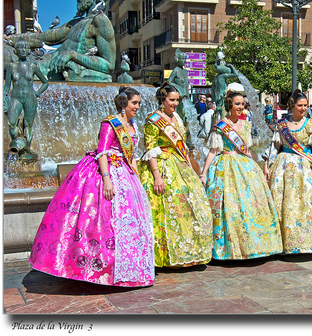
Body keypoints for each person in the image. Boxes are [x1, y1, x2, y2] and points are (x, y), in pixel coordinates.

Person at [29, 86, 155, 287]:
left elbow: (131, 157)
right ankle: (102, 269)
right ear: (124, 104)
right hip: (107, 173)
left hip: (125, 173)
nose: (137, 107)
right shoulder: (110, 124)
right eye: (134, 103)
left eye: (139, 103)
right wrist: (107, 181)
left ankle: (130, 269)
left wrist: (137, 181)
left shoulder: (132, 125)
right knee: (103, 222)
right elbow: (102, 153)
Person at [200, 91, 283, 260]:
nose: (241, 107)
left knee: (252, 203)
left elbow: (248, 150)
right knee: (229, 207)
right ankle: (228, 249)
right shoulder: (220, 125)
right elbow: (213, 151)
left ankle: (255, 245)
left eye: (242, 104)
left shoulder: (246, 125)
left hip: (245, 167)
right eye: (237, 104)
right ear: (229, 105)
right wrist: (203, 173)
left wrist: (259, 167)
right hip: (225, 167)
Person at [138, 82, 213, 268]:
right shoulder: (153, 119)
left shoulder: (176, 118)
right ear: (162, 100)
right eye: (172, 100)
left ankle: (189, 251)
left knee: (195, 204)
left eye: (177, 100)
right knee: (168, 209)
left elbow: (183, 146)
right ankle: (166, 254)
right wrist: (157, 176)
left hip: (179, 164)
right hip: (162, 165)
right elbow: (150, 149)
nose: (175, 103)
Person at [263, 91, 312, 254]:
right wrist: (267, 164)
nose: (303, 108)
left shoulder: (311, 125)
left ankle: (306, 242)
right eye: (300, 105)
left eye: (305, 105)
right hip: (282, 168)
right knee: (282, 205)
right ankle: (281, 243)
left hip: (304, 169)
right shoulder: (282, 124)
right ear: (292, 106)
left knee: (305, 205)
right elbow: (275, 147)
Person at [8, 0, 115, 82]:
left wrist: (72, 55)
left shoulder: (100, 21)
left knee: (7, 58)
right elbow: (41, 38)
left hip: (50, 69)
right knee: (6, 51)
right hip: (45, 64)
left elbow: (109, 65)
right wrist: (8, 39)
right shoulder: (77, 23)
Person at [3, 39, 49, 157]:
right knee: (11, 123)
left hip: (30, 98)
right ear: (15, 51)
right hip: (15, 98)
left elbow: (45, 82)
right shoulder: (11, 66)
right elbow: (7, 85)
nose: (23, 50)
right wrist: (4, 99)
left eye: (25, 48)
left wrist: (37, 93)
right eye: (20, 48)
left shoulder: (33, 66)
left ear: (28, 51)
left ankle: (26, 149)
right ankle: (17, 143)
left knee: (28, 124)